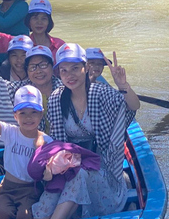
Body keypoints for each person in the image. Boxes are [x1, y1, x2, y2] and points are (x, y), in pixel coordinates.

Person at [31, 44, 140, 219]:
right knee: (44, 210)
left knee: (80, 175)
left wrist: (123, 85)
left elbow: (133, 106)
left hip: (101, 164)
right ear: (59, 74)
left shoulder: (101, 93)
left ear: (86, 67)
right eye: (64, 70)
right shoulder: (56, 98)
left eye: (75, 68)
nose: (70, 75)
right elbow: (56, 142)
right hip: (67, 164)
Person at [0, 83, 53, 219]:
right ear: (15, 115)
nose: (28, 118)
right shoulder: (10, 132)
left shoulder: (46, 140)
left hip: (31, 190)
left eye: (33, 112)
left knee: (24, 216)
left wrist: (48, 171)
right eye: (22, 113)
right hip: (7, 188)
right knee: (1, 214)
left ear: (41, 114)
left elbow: (51, 166)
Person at [0, 32, 62, 143]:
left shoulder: (64, 89)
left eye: (43, 65)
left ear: (52, 67)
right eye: (33, 67)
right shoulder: (22, 89)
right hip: (31, 147)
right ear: (27, 70)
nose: (38, 71)